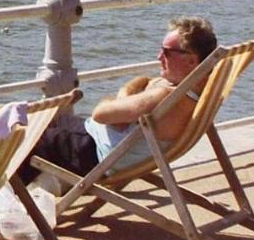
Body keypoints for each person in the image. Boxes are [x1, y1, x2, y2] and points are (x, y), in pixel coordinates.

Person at [16, 17, 217, 183]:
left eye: (166, 52)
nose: (158, 57)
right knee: (46, 121)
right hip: (107, 148)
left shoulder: (164, 95)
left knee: (27, 138)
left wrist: (123, 94)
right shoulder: (199, 91)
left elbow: (101, 114)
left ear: (191, 60)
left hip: (93, 152)